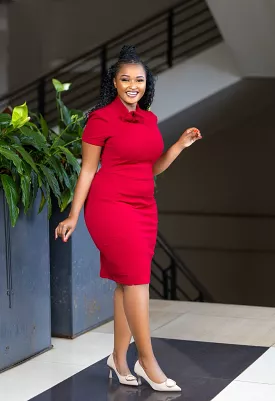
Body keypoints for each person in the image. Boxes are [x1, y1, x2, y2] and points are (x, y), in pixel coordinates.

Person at [55, 45, 202, 392]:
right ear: (115, 83)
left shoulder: (149, 119)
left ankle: (118, 359)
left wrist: (179, 146)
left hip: (144, 207)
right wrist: (74, 215)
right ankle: (147, 361)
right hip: (110, 206)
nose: (133, 85)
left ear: (145, 83)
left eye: (139, 79)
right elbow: (88, 171)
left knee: (126, 282)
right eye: (125, 79)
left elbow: (151, 169)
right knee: (137, 281)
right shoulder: (101, 119)